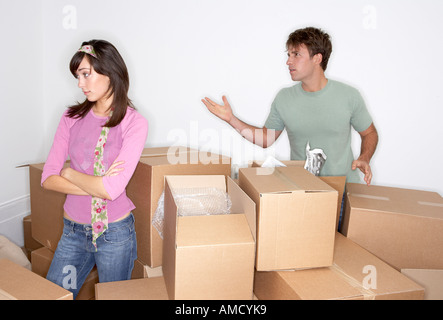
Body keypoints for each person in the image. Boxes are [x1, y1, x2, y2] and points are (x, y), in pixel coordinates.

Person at [202, 27, 378, 186]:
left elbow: (369, 133)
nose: (289, 61)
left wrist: (364, 157)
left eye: (296, 55)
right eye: (288, 55)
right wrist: (232, 119)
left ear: (317, 58)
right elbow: (266, 139)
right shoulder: (284, 98)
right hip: (305, 190)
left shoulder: (349, 95)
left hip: (346, 190)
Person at [41, 40, 148, 299]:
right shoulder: (71, 117)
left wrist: (70, 173)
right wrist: (98, 182)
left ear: (110, 72)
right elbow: (48, 178)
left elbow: (111, 191)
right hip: (73, 232)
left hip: (115, 233)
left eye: (86, 74)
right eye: (78, 76)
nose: (80, 83)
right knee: (53, 295)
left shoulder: (134, 123)